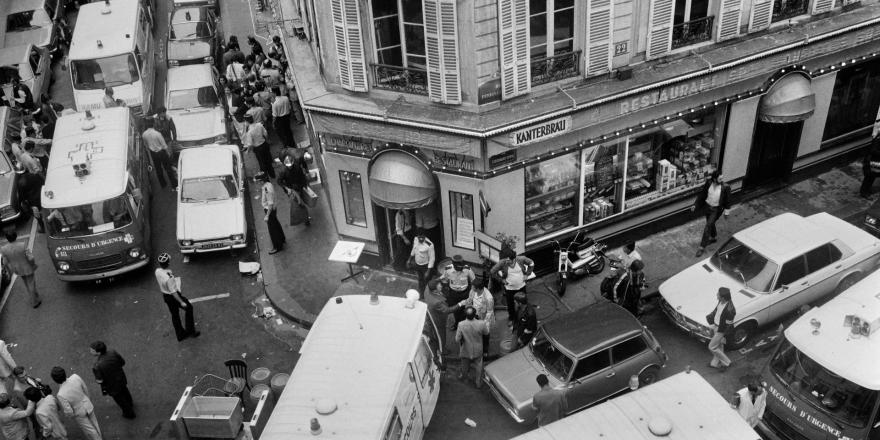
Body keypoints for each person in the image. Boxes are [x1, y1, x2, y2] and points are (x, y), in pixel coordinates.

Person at [155, 253, 200, 341]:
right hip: (173, 296)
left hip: (166, 296)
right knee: (189, 308)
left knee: (175, 315)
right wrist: (181, 302)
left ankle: (180, 335)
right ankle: (191, 331)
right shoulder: (169, 278)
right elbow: (174, 293)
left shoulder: (157, 271)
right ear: (168, 263)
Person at [52, 367, 101, 440]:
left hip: (78, 413)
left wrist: (71, 416)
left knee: (89, 430)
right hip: (86, 403)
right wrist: (87, 399)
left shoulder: (60, 394)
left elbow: (68, 411)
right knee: (94, 422)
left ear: (55, 380)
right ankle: (100, 436)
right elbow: (85, 389)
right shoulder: (75, 377)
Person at [90, 341, 135, 419]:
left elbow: (100, 381)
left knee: (120, 400)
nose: (90, 351)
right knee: (125, 391)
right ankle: (130, 403)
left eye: (92, 350)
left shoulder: (97, 366)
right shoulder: (112, 352)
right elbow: (122, 362)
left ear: (98, 352)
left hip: (112, 386)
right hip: (121, 379)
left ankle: (129, 414)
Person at [692, 170, 731, 257]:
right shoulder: (708, 183)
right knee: (711, 223)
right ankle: (713, 237)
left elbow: (728, 201)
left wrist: (726, 212)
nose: (722, 180)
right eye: (720, 179)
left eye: (722, 179)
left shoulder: (725, 187)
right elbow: (702, 195)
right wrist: (695, 205)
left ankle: (701, 247)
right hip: (707, 207)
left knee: (708, 226)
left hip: (716, 210)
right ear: (714, 179)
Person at [490, 248, 534, 323]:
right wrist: (501, 280)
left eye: (508, 260)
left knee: (523, 302)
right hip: (509, 288)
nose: (506, 261)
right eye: (505, 260)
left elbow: (531, 263)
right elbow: (492, 271)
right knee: (510, 305)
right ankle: (512, 318)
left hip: (521, 286)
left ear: (513, 259)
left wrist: (527, 274)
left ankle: (525, 317)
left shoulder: (521, 259)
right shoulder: (503, 262)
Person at [0, 231, 41, 308]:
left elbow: (5, 262)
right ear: (15, 236)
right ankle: (35, 302)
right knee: (31, 284)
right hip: (27, 267)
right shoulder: (22, 245)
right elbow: (31, 258)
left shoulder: (4, 249)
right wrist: (33, 265)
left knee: (27, 283)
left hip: (17, 270)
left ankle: (35, 296)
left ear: (7, 239)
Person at [455, 307, 489, 389]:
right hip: (478, 349)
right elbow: (486, 334)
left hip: (465, 350)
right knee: (479, 367)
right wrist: (486, 350)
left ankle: (465, 378)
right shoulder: (482, 323)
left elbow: (457, 339)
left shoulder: (461, 324)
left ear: (465, 315)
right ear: (475, 314)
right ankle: (478, 383)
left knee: (464, 366)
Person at [439, 255, 475, 327]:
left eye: (461, 266)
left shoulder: (467, 269)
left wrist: (472, 293)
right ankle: (457, 323)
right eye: (458, 267)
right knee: (455, 310)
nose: (460, 268)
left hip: (465, 293)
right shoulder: (448, 269)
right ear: (453, 264)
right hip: (453, 294)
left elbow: (474, 280)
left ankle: (464, 324)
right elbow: (444, 280)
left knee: (465, 309)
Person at [142, 119, 178, 190]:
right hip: (162, 152)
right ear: (153, 124)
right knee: (168, 169)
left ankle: (163, 184)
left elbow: (146, 146)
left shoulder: (144, 134)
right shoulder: (157, 134)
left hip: (153, 154)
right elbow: (164, 145)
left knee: (158, 169)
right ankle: (174, 184)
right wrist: (168, 154)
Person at [706, 287, 736, 371]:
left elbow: (729, 325)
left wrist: (722, 334)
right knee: (719, 346)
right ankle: (714, 363)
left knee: (712, 347)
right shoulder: (721, 301)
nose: (716, 295)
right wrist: (710, 317)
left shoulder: (730, 310)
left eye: (718, 294)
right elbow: (717, 311)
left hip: (721, 330)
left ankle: (727, 362)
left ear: (723, 297)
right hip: (716, 326)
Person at [465, 278, 494, 359]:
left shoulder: (489, 298)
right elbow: (469, 301)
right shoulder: (472, 292)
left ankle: (485, 350)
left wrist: (483, 323)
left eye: (473, 287)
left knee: (485, 334)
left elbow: (489, 312)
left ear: (478, 288)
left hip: (484, 319)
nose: (471, 288)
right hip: (475, 316)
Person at [258, 172, 285, 254]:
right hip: (273, 209)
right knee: (276, 224)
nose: (258, 182)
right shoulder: (269, 184)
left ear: (262, 180)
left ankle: (277, 246)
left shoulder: (266, 189)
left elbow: (270, 203)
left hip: (270, 210)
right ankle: (282, 238)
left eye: (259, 181)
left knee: (272, 229)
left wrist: (267, 215)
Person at [243, 114, 275, 178]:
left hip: (258, 149)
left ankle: (266, 177)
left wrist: (248, 151)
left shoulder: (249, 132)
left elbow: (250, 144)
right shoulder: (259, 125)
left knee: (262, 163)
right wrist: (266, 140)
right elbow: (266, 134)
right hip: (264, 145)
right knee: (268, 160)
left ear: (247, 122)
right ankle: (272, 175)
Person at [409, 231, 435, 296]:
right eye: (419, 237)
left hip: (425, 266)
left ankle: (427, 295)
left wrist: (428, 271)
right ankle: (422, 294)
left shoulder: (429, 244)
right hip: (417, 264)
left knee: (426, 281)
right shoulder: (415, 239)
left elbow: (432, 259)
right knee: (420, 279)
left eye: (422, 237)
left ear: (425, 236)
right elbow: (413, 249)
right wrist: (409, 259)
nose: (420, 239)